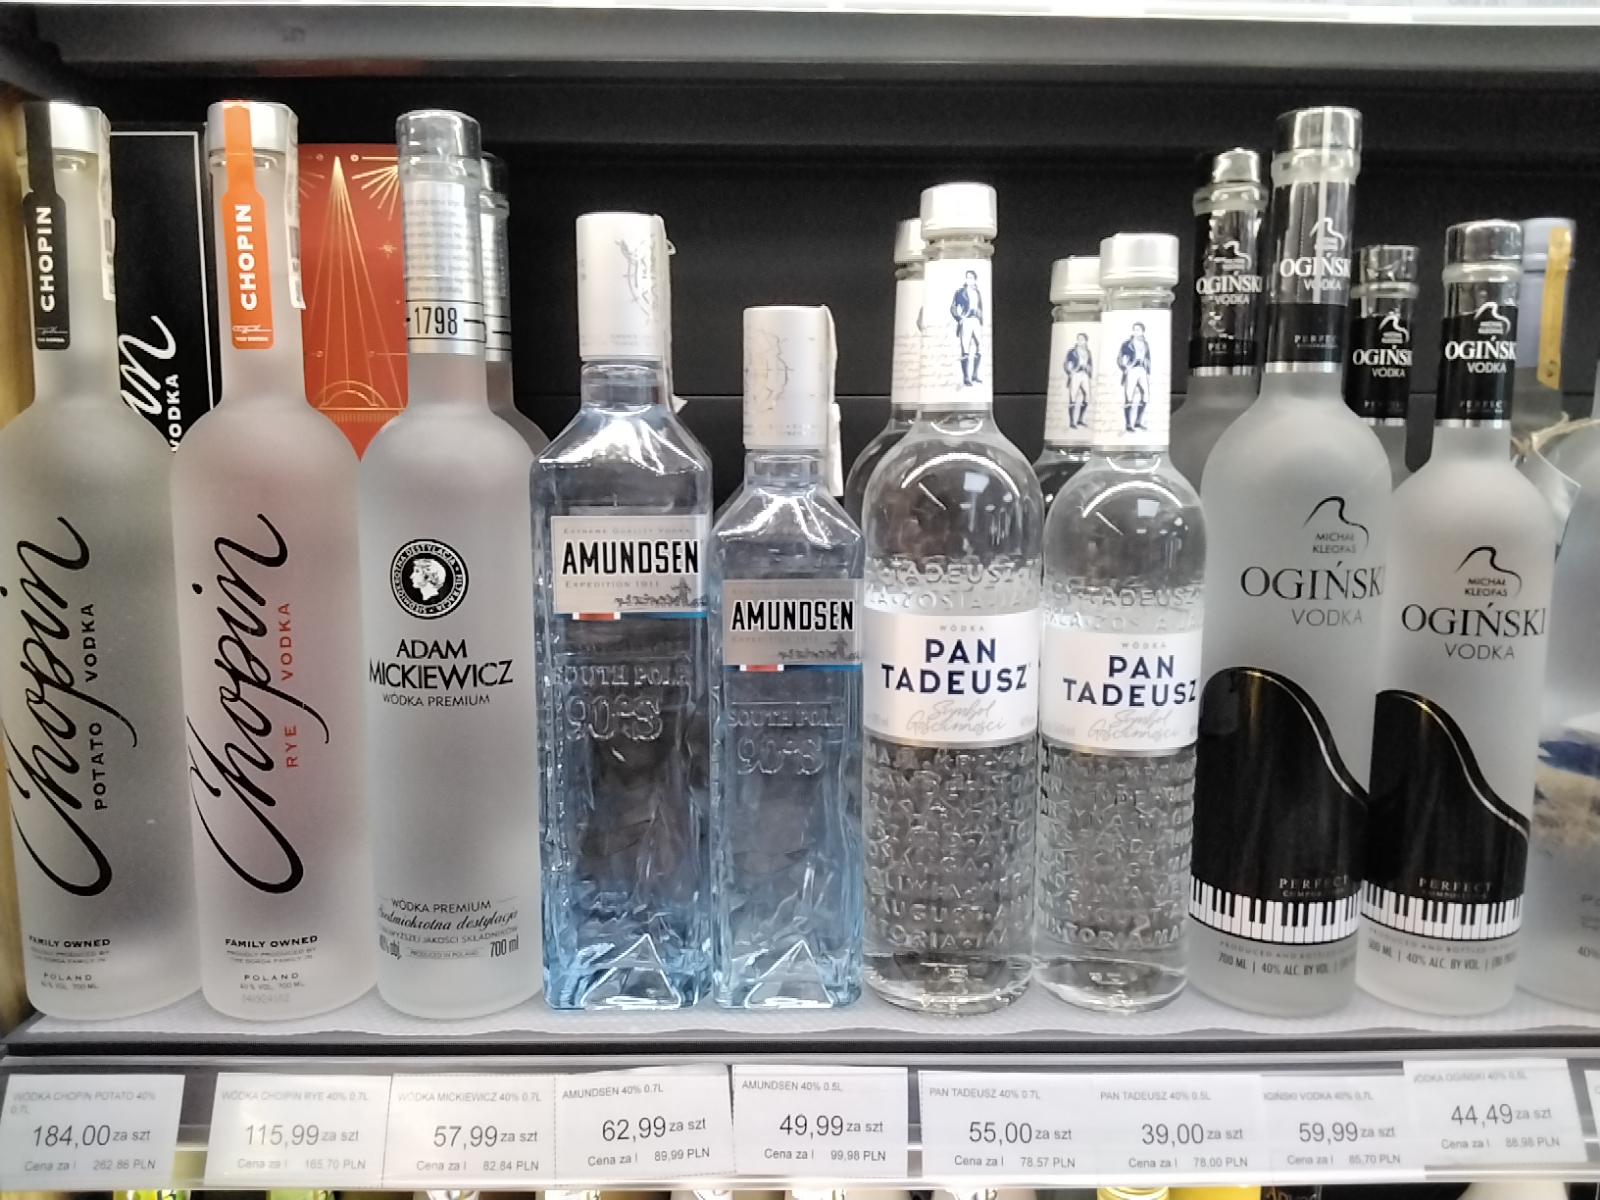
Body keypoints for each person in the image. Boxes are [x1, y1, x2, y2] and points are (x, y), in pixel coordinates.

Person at [951, 270, 984, 386]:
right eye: (967, 277)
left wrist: (980, 317)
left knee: (980, 348)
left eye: (971, 278)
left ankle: (974, 375)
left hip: (976, 321)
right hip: (966, 321)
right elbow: (953, 307)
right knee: (966, 350)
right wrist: (959, 319)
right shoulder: (960, 292)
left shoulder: (977, 292)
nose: (969, 280)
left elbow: (980, 307)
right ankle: (966, 378)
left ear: (975, 279)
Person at [1117, 321, 1152, 432]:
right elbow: (1120, 358)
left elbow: (1148, 359)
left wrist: (1148, 372)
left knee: (1146, 396)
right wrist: (1125, 367)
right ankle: (1128, 424)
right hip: (1131, 370)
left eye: (1138, 330)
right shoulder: (1127, 344)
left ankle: (1138, 422)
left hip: (1142, 370)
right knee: (1129, 396)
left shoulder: (1145, 344)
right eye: (1134, 329)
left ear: (1142, 331)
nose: (1136, 332)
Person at [1065, 331, 1093, 431]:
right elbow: (1067, 364)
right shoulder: (1072, 352)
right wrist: (1071, 371)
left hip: (1084, 374)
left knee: (1087, 396)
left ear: (1086, 341)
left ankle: (1080, 419)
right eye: (1079, 339)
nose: (1080, 341)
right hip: (1075, 374)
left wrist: (1089, 372)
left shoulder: (1088, 352)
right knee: (1073, 397)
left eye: (1082, 339)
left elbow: (1090, 364)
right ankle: (1072, 422)